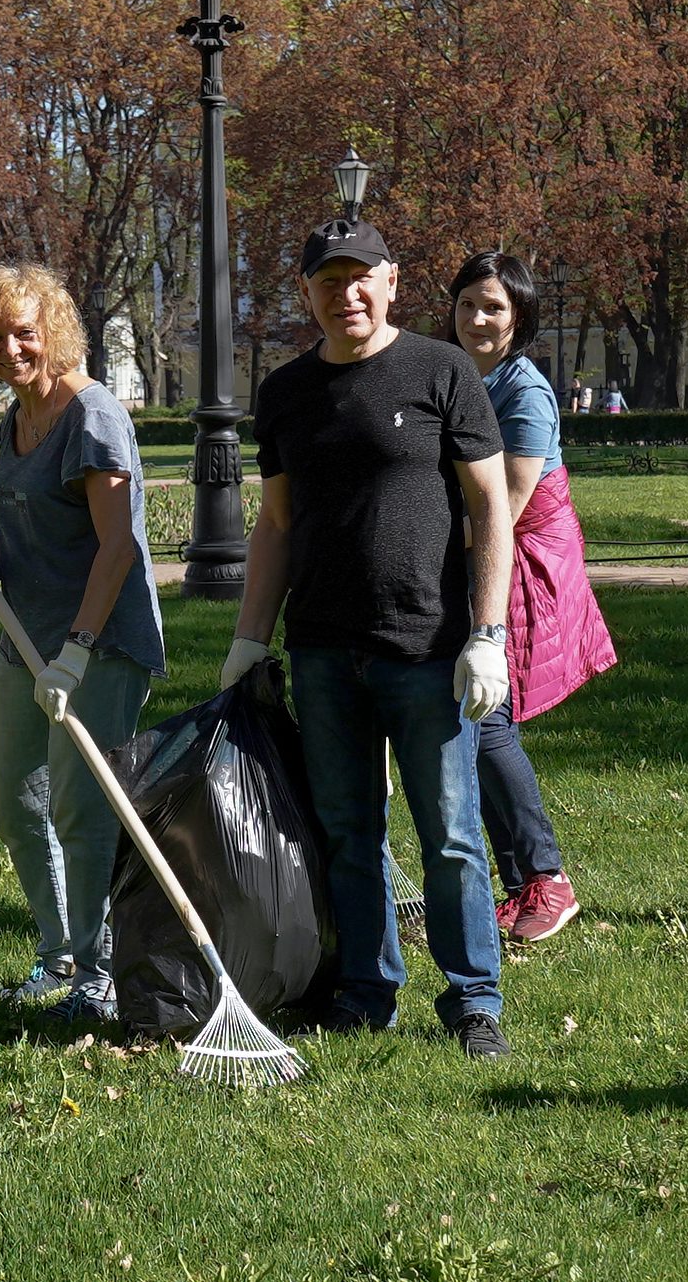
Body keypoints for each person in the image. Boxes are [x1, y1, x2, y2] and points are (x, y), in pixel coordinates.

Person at [220, 215, 516, 1058]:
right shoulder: (282, 393)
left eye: (361, 277)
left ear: (391, 281)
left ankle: (472, 1001)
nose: (345, 293)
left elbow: (492, 508)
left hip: (426, 648)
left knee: (452, 835)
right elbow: (274, 525)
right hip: (320, 651)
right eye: (327, 280)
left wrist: (487, 633)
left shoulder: (440, 369)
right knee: (348, 831)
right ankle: (367, 989)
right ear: (306, 294)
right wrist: (251, 639)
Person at [0, 263, 165, 1026]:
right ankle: (58, 953)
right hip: (25, 641)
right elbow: (43, 529)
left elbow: (117, 550)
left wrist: (77, 649)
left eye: (25, 334)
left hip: (97, 646)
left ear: (55, 332)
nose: (11, 350)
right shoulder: (16, 416)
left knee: (81, 810)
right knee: (18, 804)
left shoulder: (93, 415)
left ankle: (100, 975)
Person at [446, 253, 616, 943]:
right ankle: (522, 885)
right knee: (477, 719)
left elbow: (507, 505)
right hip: (472, 557)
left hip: (519, 565)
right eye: (467, 305)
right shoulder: (454, 375)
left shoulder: (525, 390)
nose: (478, 319)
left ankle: (547, 880)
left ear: (519, 318)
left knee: (487, 721)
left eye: (493, 307)